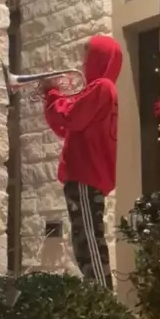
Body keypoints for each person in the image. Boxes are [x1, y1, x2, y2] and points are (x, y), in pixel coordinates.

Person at [42, 34, 121, 289]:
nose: (83, 63)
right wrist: (51, 97)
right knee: (83, 244)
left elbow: (71, 116)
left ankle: (104, 307)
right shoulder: (97, 90)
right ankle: (98, 301)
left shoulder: (102, 87)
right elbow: (64, 126)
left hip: (87, 175)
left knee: (90, 243)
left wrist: (53, 92)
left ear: (99, 57)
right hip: (82, 176)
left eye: (87, 56)